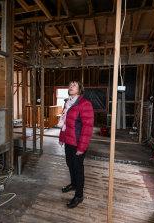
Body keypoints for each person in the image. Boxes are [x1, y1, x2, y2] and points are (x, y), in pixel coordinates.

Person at [58, 80, 94, 208]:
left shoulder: (85, 104)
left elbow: (88, 128)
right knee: (70, 164)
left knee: (78, 169)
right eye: (69, 85)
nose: (71, 87)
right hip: (68, 141)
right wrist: (62, 137)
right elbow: (64, 123)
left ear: (80, 89)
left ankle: (79, 195)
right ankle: (73, 184)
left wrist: (82, 147)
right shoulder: (68, 103)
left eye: (74, 85)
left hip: (78, 143)